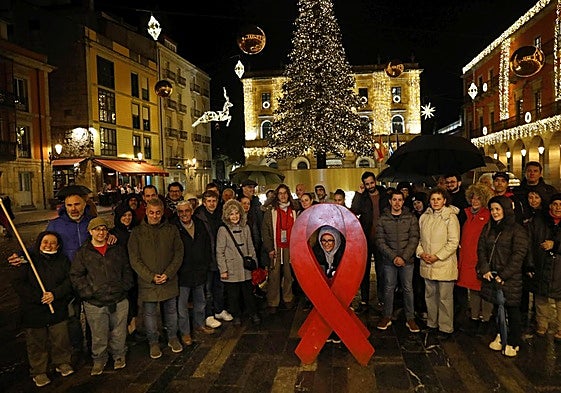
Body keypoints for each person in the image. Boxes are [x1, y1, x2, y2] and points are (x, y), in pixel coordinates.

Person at [70, 217, 133, 375]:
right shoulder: (83, 252)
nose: (101, 232)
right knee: (99, 333)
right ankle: (99, 359)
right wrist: (88, 292)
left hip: (118, 298)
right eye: (97, 229)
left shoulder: (116, 249)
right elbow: (76, 275)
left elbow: (126, 268)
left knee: (119, 331)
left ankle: (119, 355)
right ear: (90, 232)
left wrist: (125, 286)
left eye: (104, 229)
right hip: (95, 302)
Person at [12, 231, 74, 387]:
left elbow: (69, 281)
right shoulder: (28, 260)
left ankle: (62, 362)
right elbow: (19, 283)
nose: (49, 245)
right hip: (34, 309)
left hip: (57, 306)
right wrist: (39, 297)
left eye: (53, 242)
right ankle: (39, 371)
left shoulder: (63, 260)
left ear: (58, 245)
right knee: (36, 342)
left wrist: (55, 294)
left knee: (60, 338)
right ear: (39, 243)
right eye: (45, 242)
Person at [128, 198, 184, 359]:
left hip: (169, 279)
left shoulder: (172, 230)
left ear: (162, 212)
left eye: (158, 212)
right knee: (150, 314)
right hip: (148, 281)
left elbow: (178, 253)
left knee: (171, 311)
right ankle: (153, 342)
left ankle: (172, 338)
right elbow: (135, 259)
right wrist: (150, 276)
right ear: (146, 212)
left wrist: (169, 273)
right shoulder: (137, 233)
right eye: (151, 212)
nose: (155, 216)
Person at [477, 195, 528, 357]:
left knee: (512, 309)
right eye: (492, 209)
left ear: (505, 210)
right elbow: (481, 249)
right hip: (492, 275)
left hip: (509, 277)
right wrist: (484, 268)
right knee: (497, 308)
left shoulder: (517, 230)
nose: (494, 212)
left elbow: (518, 255)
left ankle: (514, 340)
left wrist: (504, 275)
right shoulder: (488, 227)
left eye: (497, 209)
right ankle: (500, 333)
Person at [417, 188, 460, 339]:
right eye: (433, 199)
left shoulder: (450, 217)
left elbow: (453, 242)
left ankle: (446, 328)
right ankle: (432, 324)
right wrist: (421, 253)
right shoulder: (424, 217)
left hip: (444, 264)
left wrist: (437, 256)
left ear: (445, 200)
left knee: (444, 298)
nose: (435, 202)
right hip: (427, 263)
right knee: (430, 296)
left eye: (438, 199)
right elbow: (419, 239)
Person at [375, 191, 420, 333]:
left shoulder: (411, 217)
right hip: (389, 260)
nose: (397, 203)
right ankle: (387, 316)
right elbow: (380, 241)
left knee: (408, 288)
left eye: (400, 200)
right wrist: (393, 257)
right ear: (390, 201)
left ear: (403, 201)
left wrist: (404, 257)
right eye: (394, 200)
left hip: (407, 260)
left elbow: (414, 238)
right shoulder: (383, 219)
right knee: (388, 288)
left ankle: (410, 318)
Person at [173, 200, 215, 347]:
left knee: (200, 301)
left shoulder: (199, 224)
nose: (184, 214)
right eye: (181, 212)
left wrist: (206, 264)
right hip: (182, 273)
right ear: (178, 213)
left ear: (191, 211)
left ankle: (199, 324)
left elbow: (207, 245)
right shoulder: (174, 227)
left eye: (187, 211)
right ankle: (185, 332)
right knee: (182, 306)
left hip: (199, 270)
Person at [217, 199, 261, 325]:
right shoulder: (223, 230)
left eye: (236, 213)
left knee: (248, 293)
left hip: (245, 266)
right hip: (231, 268)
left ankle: (253, 313)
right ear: (227, 215)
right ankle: (236, 315)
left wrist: (254, 263)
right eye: (231, 214)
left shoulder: (245, 227)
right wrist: (223, 270)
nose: (234, 216)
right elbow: (220, 251)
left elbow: (250, 245)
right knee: (233, 295)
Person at [456, 183, 493, 336]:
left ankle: (486, 319)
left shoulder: (488, 215)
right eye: (473, 198)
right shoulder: (466, 214)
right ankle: (474, 318)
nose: (475, 201)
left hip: (481, 258)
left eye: (478, 198)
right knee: (473, 290)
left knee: (484, 290)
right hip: (467, 257)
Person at [350, 171, 389, 313]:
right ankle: (364, 298)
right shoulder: (363, 197)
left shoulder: (384, 195)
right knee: (364, 271)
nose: (370, 186)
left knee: (381, 270)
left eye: (372, 183)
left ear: (375, 181)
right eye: (367, 184)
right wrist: (359, 194)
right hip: (366, 238)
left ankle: (381, 298)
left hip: (381, 239)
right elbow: (354, 210)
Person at [195, 190, 233, 328]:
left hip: (220, 257)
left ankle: (218, 310)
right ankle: (208, 314)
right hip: (207, 258)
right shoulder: (199, 217)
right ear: (204, 202)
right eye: (209, 201)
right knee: (208, 289)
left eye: (214, 201)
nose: (212, 204)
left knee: (220, 286)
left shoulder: (220, 216)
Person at [526, 193, 561, 340]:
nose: (558, 208)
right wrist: (530, 265)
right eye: (555, 204)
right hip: (541, 263)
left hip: (559, 266)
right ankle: (542, 325)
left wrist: (556, 245)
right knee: (541, 297)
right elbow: (529, 243)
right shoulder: (538, 220)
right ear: (550, 205)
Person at [262, 184, 299, 313]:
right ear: (276, 196)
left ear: (288, 194)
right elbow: (265, 231)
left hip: (290, 247)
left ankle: (288, 298)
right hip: (276, 247)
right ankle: (273, 301)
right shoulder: (270, 211)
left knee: (289, 274)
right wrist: (270, 248)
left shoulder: (294, 210)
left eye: (285, 193)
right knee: (274, 274)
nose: (283, 196)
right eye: (280, 193)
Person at [110, 203, 143, 340]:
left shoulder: (136, 230)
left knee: (134, 300)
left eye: (129, 215)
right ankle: (124, 331)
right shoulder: (113, 233)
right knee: (124, 302)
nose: (127, 218)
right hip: (121, 274)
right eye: (124, 215)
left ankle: (133, 328)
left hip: (135, 272)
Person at [312, 225, 346, 343]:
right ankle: (325, 330)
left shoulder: (343, 254)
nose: (326, 244)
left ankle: (337, 331)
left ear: (336, 240)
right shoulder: (317, 253)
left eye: (330, 240)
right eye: (324, 240)